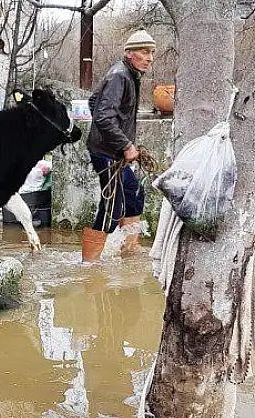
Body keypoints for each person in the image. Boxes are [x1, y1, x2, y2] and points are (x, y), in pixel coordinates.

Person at [83, 29, 155, 262]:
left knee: (134, 194)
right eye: (145, 52)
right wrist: (125, 144)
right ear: (130, 53)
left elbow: (94, 100)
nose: (149, 58)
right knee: (111, 210)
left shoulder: (130, 75)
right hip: (107, 153)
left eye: (152, 53)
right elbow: (103, 117)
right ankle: (89, 266)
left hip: (113, 150)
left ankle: (128, 253)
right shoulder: (120, 76)